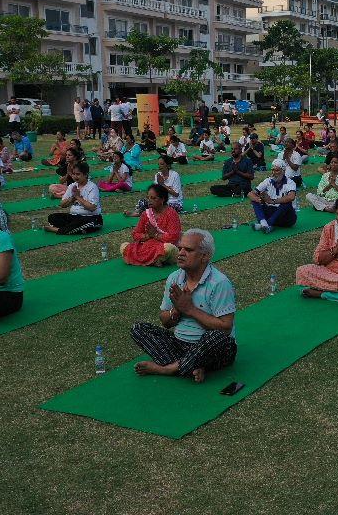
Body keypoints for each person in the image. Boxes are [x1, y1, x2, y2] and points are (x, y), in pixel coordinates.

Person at [129, 228, 237, 383]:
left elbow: (226, 328)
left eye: (188, 250)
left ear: (204, 256)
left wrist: (190, 309)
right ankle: (194, 365)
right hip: (180, 343)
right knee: (138, 329)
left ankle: (168, 368)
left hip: (213, 347)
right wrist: (177, 309)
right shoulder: (174, 278)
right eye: (180, 248)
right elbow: (165, 322)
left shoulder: (219, 283)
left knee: (217, 338)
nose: (180, 253)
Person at [121, 183, 182, 267]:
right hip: (149, 245)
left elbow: (173, 237)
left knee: (168, 248)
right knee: (124, 247)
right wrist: (148, 236)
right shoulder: (146, 214)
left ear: (162, 199)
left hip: (165, 245)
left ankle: (154, 259)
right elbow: (135, 234)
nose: (149, 200)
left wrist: (156, 235)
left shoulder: (171, 214)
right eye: (148, 197)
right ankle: (155, 260)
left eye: (153, 198)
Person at [45, 162, 103, 235]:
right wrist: (72, 198)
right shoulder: (72, 186)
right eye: (73, 174)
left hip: (91, 217)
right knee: (52, 217)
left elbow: (92, 207)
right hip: (74, 216)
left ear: (85, 174)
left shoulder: (92, 187)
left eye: (78, 174)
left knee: (85, 223)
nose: (75, 176)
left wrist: (78, 197)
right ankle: (71, 228)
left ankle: (58, 230)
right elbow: (62, 205)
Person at [249, 159, 297, 233]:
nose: (274, 173)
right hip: (271, 213)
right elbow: (250, 194)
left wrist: (272, 201)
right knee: (254, 200)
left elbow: (291, 197)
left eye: (277, 170)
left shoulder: (290, 182)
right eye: (273, 170)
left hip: (286, 218)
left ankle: (266, 224)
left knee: (287, 203)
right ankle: (264, 224)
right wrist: (259, 199)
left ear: (283, 171)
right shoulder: (268, 181)